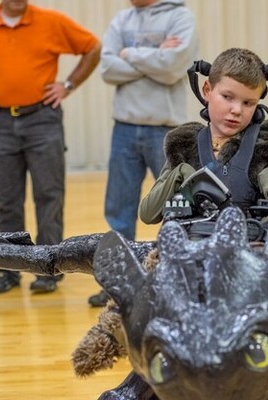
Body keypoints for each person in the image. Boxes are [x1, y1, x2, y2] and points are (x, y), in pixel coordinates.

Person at [0, 0, 101, 294]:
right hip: (0, 122)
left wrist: (67, 85)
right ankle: (8, 270)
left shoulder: (51, 21)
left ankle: (49, 267)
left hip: (43, 119)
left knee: (49, 194)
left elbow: (92, 47)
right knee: (6, 200)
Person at [88, 0, 198, 307]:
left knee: (177, 206)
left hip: (166, 130)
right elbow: (108, 69)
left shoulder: (181, 17)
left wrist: (129, 53)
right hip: (124, 127)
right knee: (119, 209)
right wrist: (156, 56)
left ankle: (171, 277)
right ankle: (118, 283)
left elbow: (173, 68)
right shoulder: (122, 19)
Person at [139, 48, 268, 225]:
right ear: (207, 90)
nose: (236, 110)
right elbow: (148, 214)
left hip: (256, 245)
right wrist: (181, 175)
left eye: (248, 103)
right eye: (227, 97)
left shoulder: (267, 143)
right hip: (198, 246)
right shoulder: (184, 144)